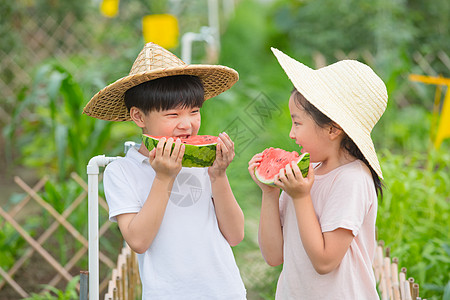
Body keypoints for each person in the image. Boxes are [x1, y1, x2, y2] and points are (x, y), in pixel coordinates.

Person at [83, 42, 246, 299]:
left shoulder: (202, 162)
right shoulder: (121, 172)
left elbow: (236, 235)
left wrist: (218, 175)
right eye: (172, 115)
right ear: (138, 117)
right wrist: (163, 177)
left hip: (224, 290)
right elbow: (138, 241)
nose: (187, 124)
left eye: (194, 111)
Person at [248, 48, 388, 299]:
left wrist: (302, 197)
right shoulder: (305, 173)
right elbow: (273, 256)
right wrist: (269, 194)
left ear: (333, 129)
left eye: (297, 122)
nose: (291, 134)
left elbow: (325, 262)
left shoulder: (352, 179)